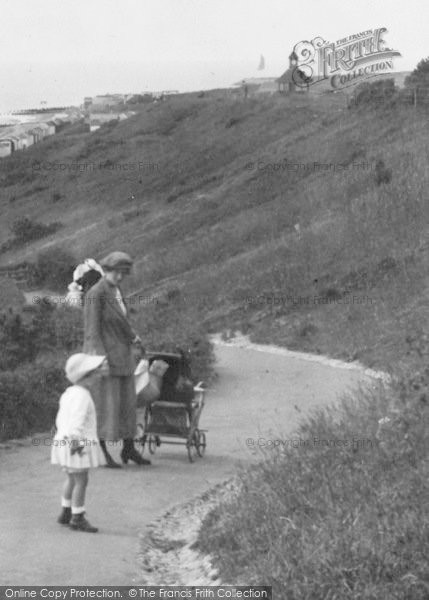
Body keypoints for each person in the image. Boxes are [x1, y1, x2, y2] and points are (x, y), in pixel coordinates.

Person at [83, 251, 150, 467]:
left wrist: (133, 337)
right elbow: (91, 331)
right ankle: (101, 452)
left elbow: (122, 322)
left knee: (127, 404)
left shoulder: (116, 290)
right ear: (107, 270)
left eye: (124, 273)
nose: (121, 277)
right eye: (117, 273)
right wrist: (98, 361)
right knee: (106, 406)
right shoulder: (96, 293)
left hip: (123, 356)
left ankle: (128, 449)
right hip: (106, 360)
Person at [51, 353, 108, 533]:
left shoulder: (69, 393)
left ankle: (66, 511)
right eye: (96, 373)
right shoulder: (82, 396)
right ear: (87, 377)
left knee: (71, 478)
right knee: (81, 480)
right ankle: (78, 517)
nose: (99, 376)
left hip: (64, 440)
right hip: (76, 443)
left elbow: (61, 418)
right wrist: (76, 443)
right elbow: (77, 420)